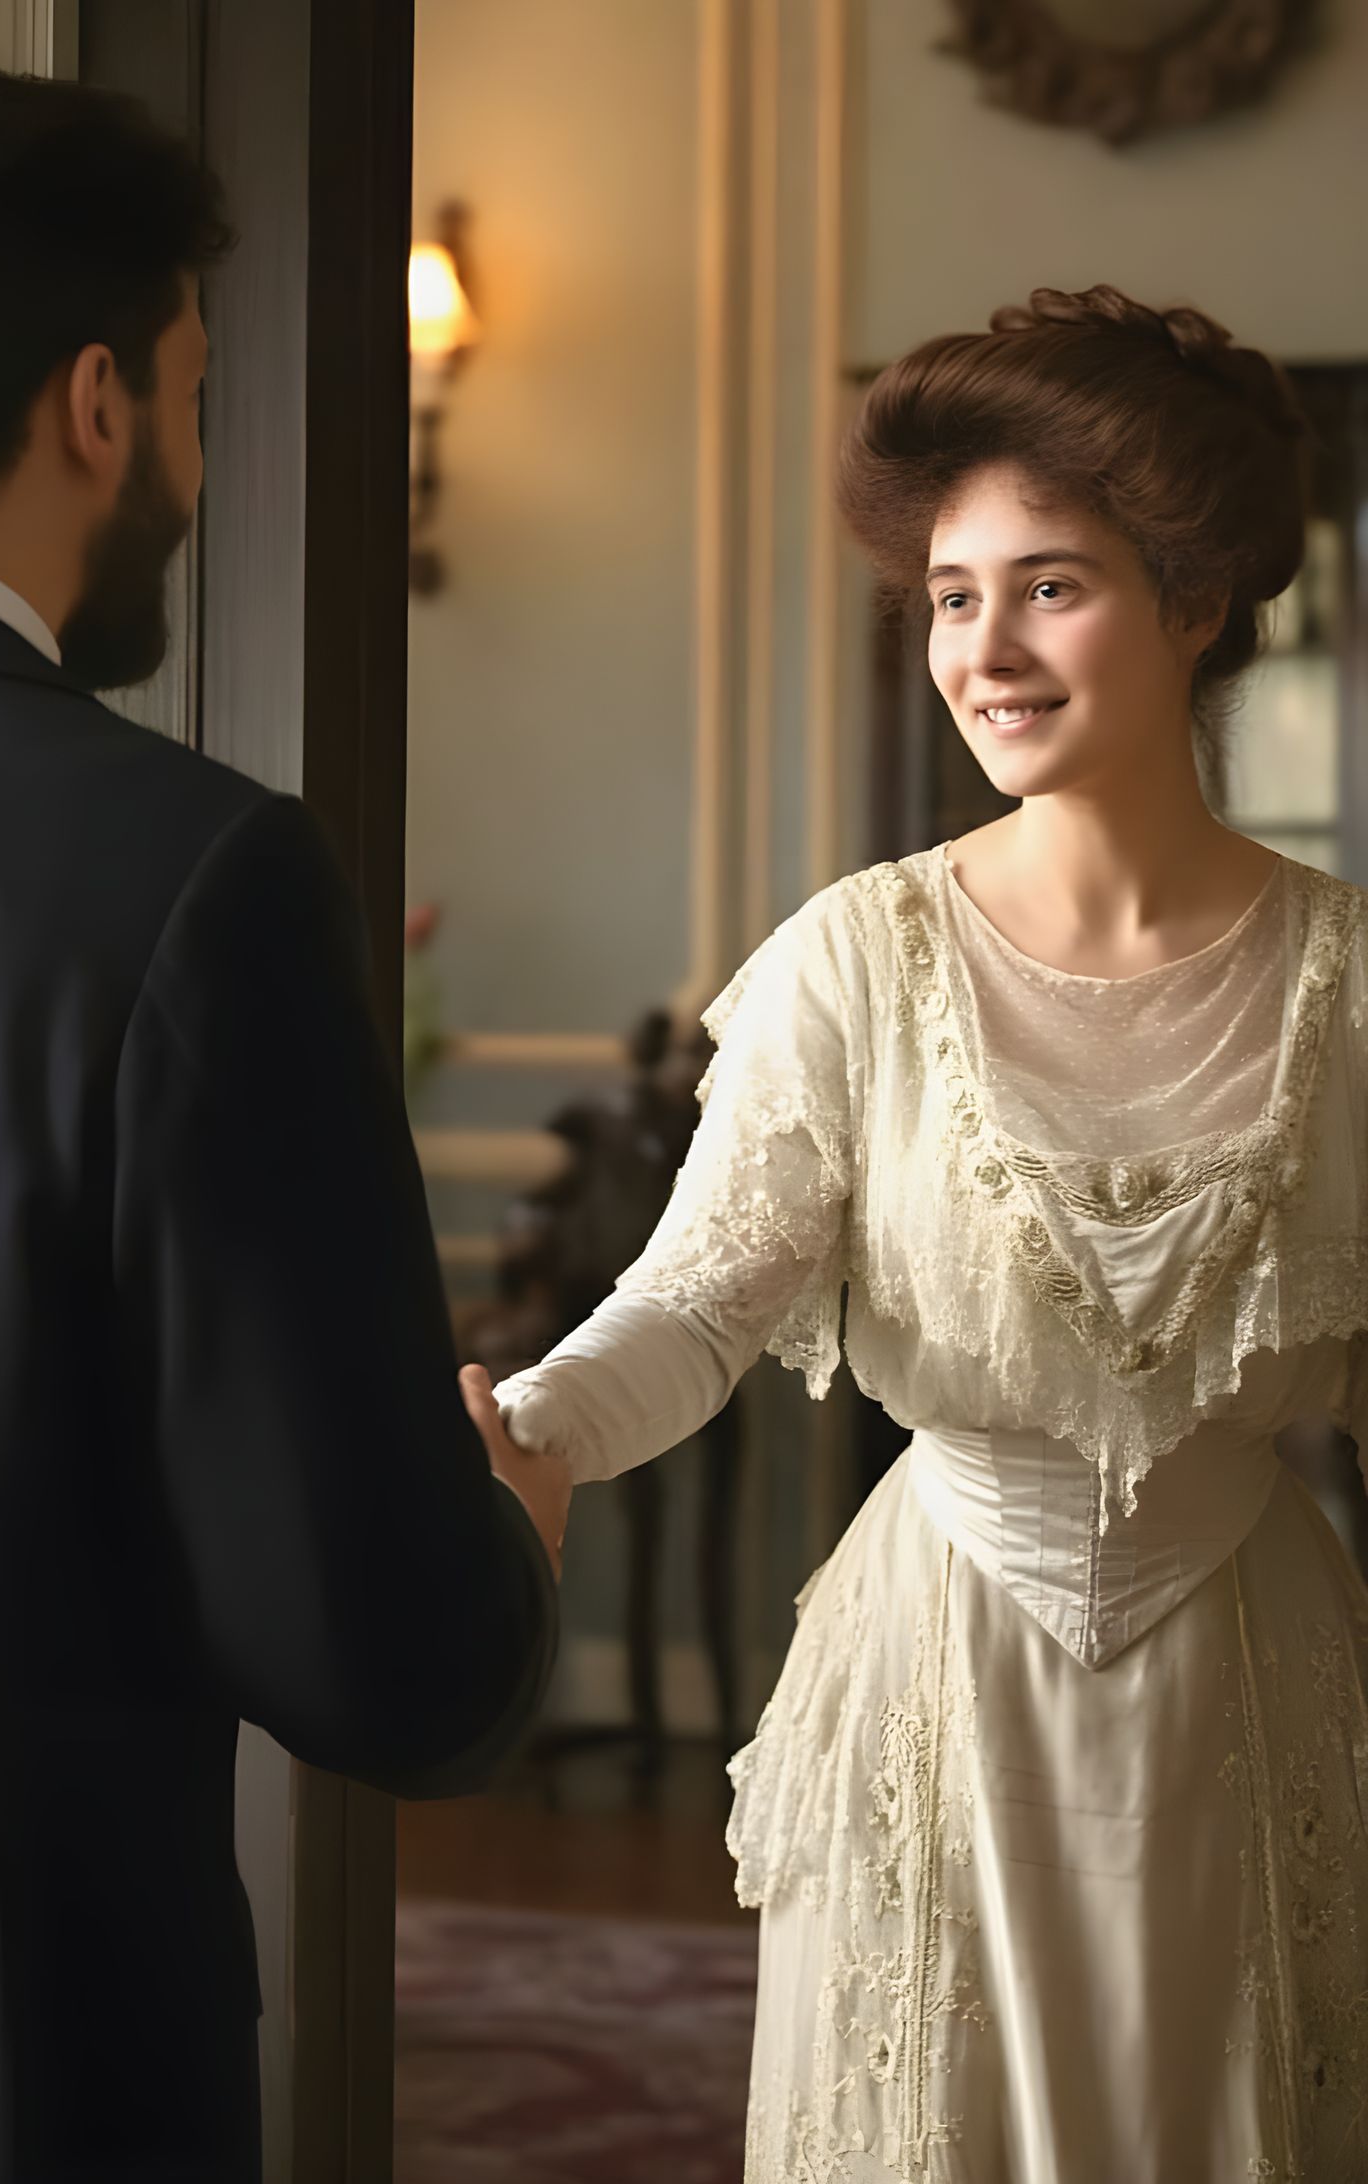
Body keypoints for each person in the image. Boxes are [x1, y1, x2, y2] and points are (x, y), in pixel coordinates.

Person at [0, 59, 569, 2184]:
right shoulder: (187, 873)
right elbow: (378, 1651)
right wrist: (504, 1549)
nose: (195, 461)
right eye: (201, 400)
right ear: (96, 402)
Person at [482, 285, 1368, 2180]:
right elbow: (699, 1305)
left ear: (1198, 600)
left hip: (1257, 1689)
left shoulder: (1349, 989)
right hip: (939, 1678)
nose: (984, 650)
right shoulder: (853, 964)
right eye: (953, 597)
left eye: (1050, 586)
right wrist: (535, 1432)